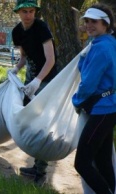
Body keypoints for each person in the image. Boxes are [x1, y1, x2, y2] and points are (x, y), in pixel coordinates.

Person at [9, 0, 58, 186]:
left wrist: (39, 81)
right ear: (18, 12)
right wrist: (15, 70)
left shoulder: (41, 27)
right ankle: (36, 165)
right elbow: (24, 57)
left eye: (31, 11)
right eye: (24, 11)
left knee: (42, 124)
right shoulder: (17, 32)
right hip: (31, 81)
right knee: (30, 122)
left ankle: (41, 172)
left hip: (47, 80)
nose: (28, 15)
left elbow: (51, 59)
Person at [72, 3, 116, 194]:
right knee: (103, 161)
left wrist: (76, 101)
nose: (89, 25)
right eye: (87, 21)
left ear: (105, 24)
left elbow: (88, 84)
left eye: (94, 22)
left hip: (102, 111)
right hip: (110, 108)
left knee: (81, 163)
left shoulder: (100, 48)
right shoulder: (108, 43)